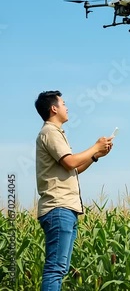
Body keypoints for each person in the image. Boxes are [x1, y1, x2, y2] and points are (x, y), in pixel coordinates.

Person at [35, 90, 113, 291]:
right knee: (55, 268)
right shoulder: (50, 132)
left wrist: (95, 156)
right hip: (58, 208)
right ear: (54, 108)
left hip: (65, 209)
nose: (66, 107)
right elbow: (70, 162)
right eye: (63, 103)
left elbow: (75, 168)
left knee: (60, 268)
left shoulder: (55, 133)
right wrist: (95, 147)